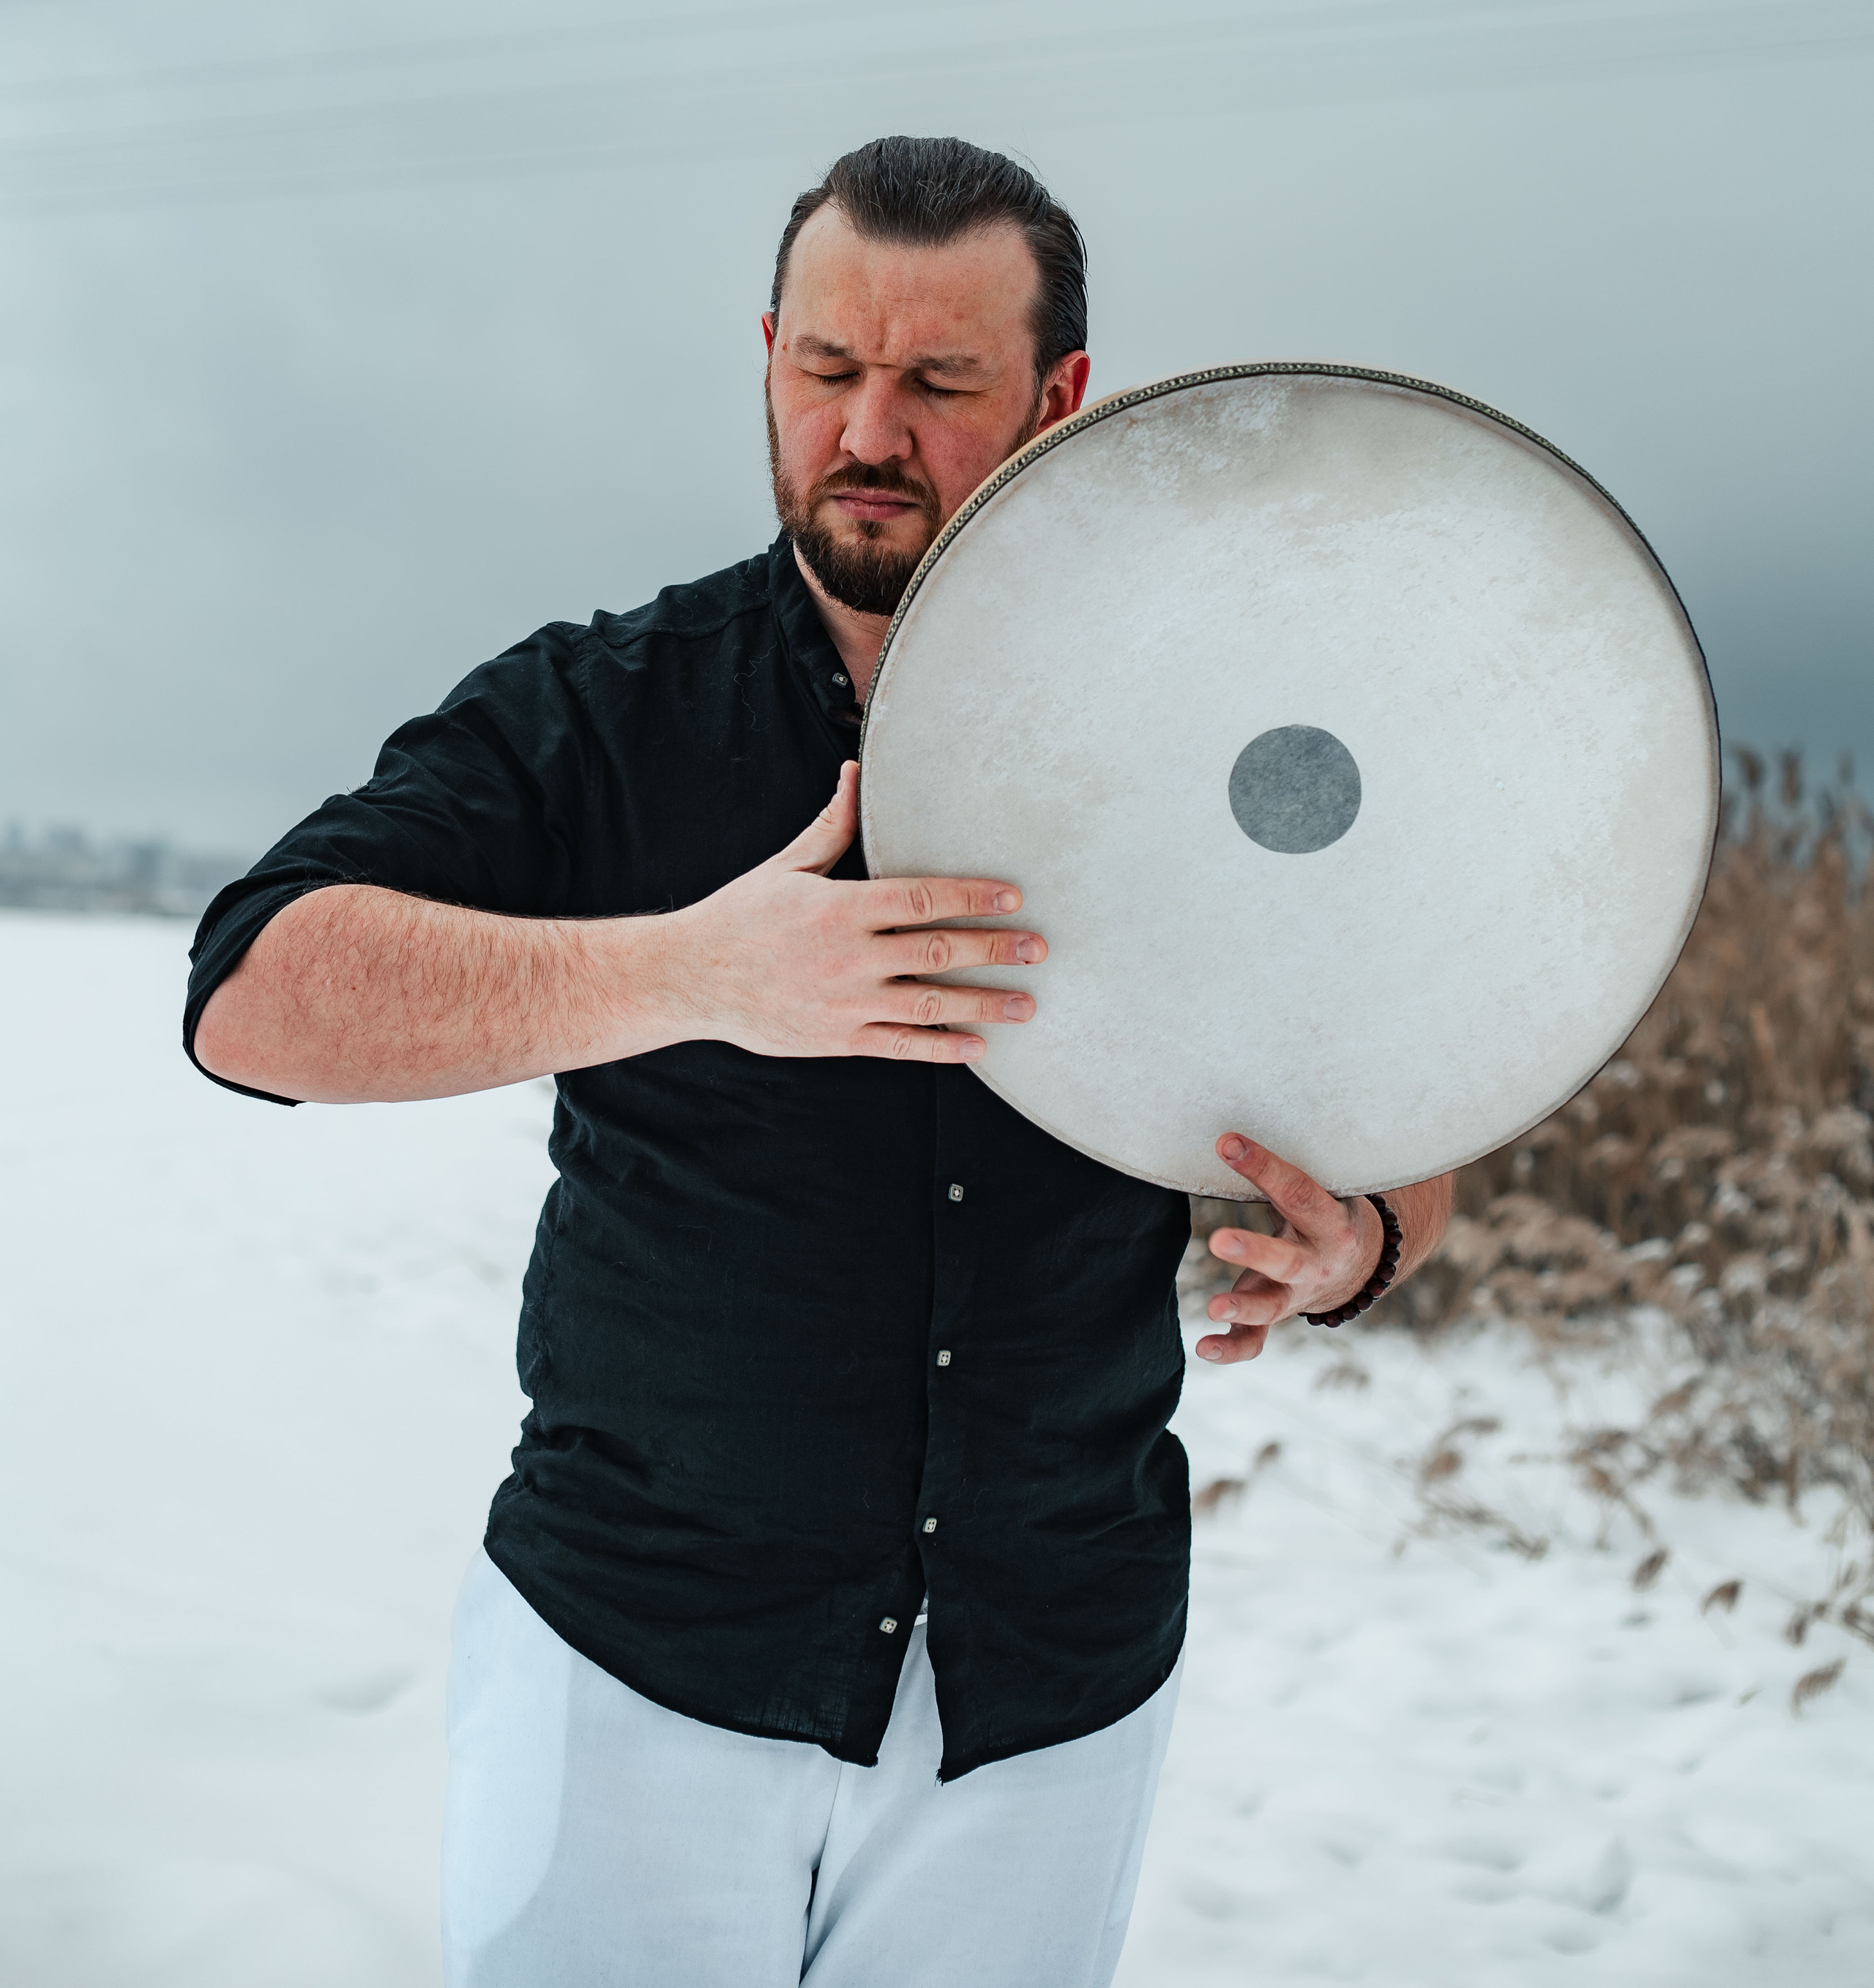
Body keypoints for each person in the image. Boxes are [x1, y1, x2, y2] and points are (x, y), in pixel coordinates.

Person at [187, 135, 1453, 1988]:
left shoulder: (1215, 744)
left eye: (940, 384)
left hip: (1047, 1697)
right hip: (636, 1672)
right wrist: (694, 969)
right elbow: (256, 998)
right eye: (822, 371)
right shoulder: (599, 712)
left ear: (1057, 398)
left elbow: (1407, 1103)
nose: (869, 430)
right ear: (767, 356)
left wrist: (1362, 1251)